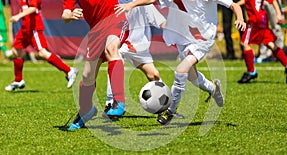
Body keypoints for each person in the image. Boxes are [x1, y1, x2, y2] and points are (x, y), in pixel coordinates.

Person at [115, 0, 246, 125]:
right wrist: (132, 4)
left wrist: (240, 18)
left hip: (203, 38)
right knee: (192, 77)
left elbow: (234, 5)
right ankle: (213, 88)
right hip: (183, 38)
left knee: (181, 70)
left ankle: (170, 111)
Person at [62, 0, 128, 131]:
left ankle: (119, 101)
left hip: (115, 20)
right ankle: (86, 111)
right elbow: (65, 14)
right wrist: (69, 15)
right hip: (96, 31)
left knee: (111, 48)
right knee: (87, 76)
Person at [5, 0, 78, 92]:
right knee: (17, 51)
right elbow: (25, 8)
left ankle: (69, 71)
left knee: (42, 53)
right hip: (25, 28)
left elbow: (33, 8)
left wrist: (18, 16)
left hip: (33, 28)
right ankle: (18, 80)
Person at [105, 3, 166, 108]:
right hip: (121, 44)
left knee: (154, 75)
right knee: (116, 64)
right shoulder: (115, 3)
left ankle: (166, 106)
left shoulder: (145, 4)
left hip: (138, 47)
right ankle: (110, 103)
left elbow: (162, 23)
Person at [237, 0, 287, 84]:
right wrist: (234, 5)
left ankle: (251, 71)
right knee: (269, 44)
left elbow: (273, 0)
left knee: (245, 43)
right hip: (261, 19)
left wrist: (279, 14)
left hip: (255, 20)